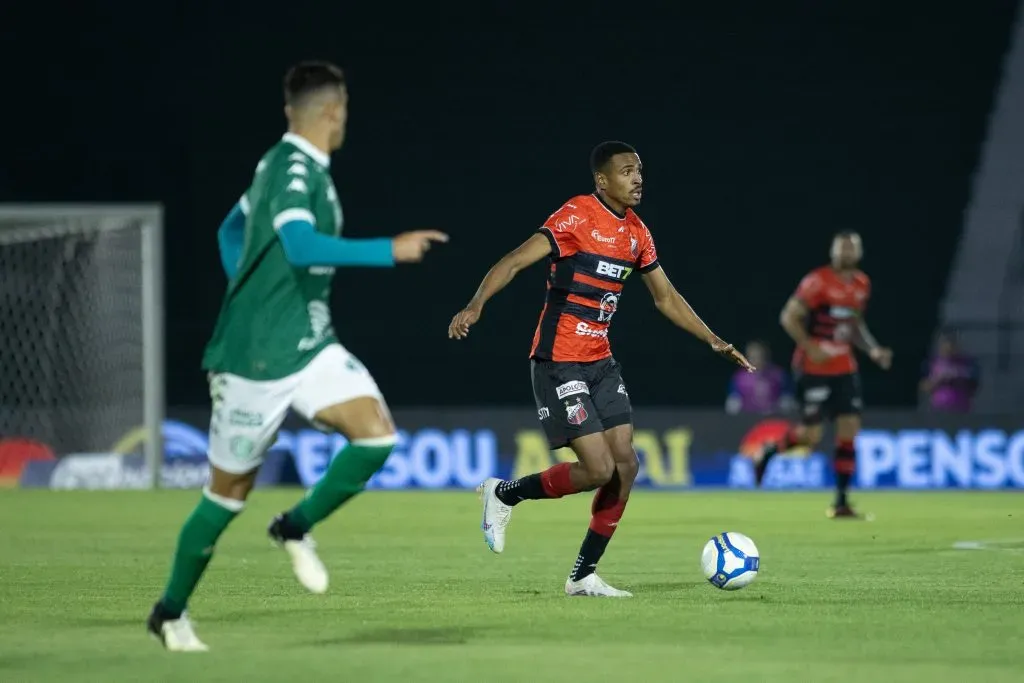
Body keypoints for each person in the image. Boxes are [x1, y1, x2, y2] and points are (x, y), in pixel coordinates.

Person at [147, 61, 447, 652]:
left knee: (376, 437)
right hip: (252, 360)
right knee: (226, 497)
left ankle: (293, 526)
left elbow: (229, 232)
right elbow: (301, 245)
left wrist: (253, 289)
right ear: (334, 111)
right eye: (345, 109)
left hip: (309, 343)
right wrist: (389, 250)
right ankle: (169, 613)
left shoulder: (290, 167)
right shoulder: (289, 166)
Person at [448, 141, 754, 597]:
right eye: (627, 171)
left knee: (625, 466)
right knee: (597, 469)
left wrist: (713, 340)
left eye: (640, 170)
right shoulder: (576, 216)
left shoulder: (637, 233)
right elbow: (513, 261)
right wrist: (476, 305)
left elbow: (666, 297)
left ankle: (583, 576)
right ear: (602, 180)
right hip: (559, 359)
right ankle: (504, 493)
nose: (638, 178)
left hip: (600, 362)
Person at [753, 232, 891, 518]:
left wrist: (873, 350)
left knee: (849, 428)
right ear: (833, 252)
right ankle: (769, 451)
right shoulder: (817, 281)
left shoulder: (862, 284)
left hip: (845, 368)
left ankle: (841, 502)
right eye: (841, 248)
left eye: (851, 248)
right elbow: (788, 317)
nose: (846, 253)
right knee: (811, 436)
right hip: (813, 368)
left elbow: (854, 325)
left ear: (859, 253)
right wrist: (809, 347)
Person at [724, 340, 795, 414]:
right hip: (747, 417)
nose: (757, 360)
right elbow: (732, 402)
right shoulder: (739, 378)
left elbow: (787, 398)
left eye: (760, 356)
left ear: (766, 355)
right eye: (753, 357)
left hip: (773, 417)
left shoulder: (779, 375)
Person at [919, 330, 979, 412]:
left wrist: (959, 378)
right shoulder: (932, 363)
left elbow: (974, 386)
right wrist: (939, 380)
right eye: (946, 345)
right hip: (939, 408)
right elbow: (923, 386)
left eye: (952, 345)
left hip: (961, 408)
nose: (949, 349)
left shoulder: (968, 363)